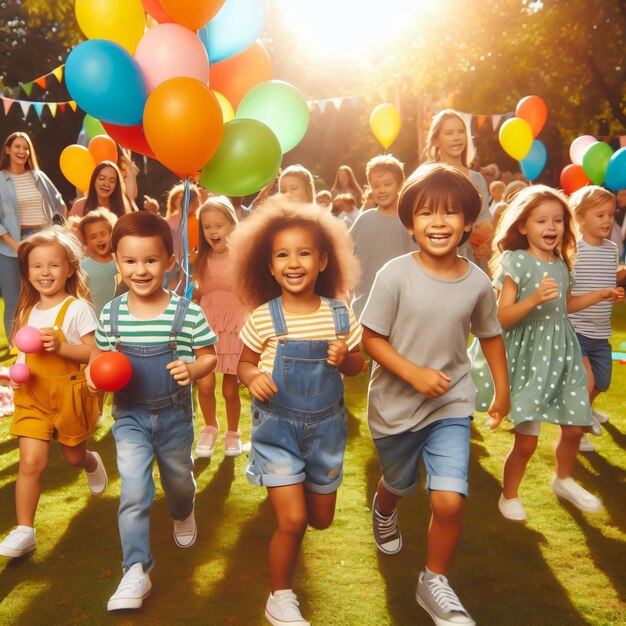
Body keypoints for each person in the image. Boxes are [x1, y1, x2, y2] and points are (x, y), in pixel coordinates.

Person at [361, 163, 509, 626]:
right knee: (400, 484)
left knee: (448, 500)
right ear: (410, 223)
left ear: (468, 222)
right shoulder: (394, 275)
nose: (439, 222)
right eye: (426, 213)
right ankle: (384, 508)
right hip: (395, 408)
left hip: (451, 404)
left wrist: (501, 390)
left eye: (450, 213)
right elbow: (371, 338)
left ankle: (434, 580)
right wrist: (413, 373)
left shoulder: (477, 282)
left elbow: (489, 334)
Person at [231, 197, 364, 626]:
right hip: (278, 429)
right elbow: (243, 364)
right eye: (282, 254)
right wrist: (252, 378)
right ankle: (280, 597)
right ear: (268, 266)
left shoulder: (341, 315)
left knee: (319, 520)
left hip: (326, 430)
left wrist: (346, 358)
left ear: (324, 260)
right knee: (292, 519)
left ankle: (302, 494)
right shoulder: (263, 318)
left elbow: (358, 366)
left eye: (304, 252)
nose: (294, 262)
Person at [87, 211, 217, 611]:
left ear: (169, 262)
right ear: (118, 263)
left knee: (178, 482)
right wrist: (95, 377)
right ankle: (135, 570)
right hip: (130, 418)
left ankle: (183, 511)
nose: (140, 270)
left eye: (150, 260)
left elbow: (209, 357)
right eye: (130, 261)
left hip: (176, 417)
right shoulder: (111, 314)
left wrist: (192, 368)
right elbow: (99, 358)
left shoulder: (187, 312)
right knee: (135, 490)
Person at [489, 185, 622, 523]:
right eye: (541, 221)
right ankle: (509, 496)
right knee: (527, 442)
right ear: (522, 226)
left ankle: (563, 479)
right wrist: (533, 299)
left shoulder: (562, 264)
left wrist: (600, 295)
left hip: (563, 353)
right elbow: (501, 317)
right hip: (531, 359)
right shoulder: (516, 261)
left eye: (558, 221)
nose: (551, 227)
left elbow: (564, 306)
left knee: (577, 422)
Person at [0, 226, 107, 559]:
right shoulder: (26, 311)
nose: (45, 273)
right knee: (31, 463)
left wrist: (62, 347)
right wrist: (16, 376)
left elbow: (94, 353)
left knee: (73, 456)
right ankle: (25, 531)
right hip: (33, 396)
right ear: (27, 272)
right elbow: (24, 354)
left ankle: (91, 462)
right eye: (36, 266)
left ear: (70, 268)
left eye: (53, 265)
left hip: (69, 395)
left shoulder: (78, 309)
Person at [569, 186, 625, 451]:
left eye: (610, 214)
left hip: (601, 332)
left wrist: (614, 293)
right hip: (576, 329)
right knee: (587, 380)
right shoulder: (572, 250)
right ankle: (577, 432)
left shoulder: (612, 249)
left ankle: (585, 410)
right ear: (580, 218)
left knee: (602, 382)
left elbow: (607, 278)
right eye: (599, 215)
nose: (607, 220)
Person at [193, 196, 247, 459]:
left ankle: (233, 433)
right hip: (206, 325)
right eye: (207, 227)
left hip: (234, 325)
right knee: (204, 385)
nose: (213, 231)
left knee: (229, 388)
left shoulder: (242, 257)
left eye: (219, 225)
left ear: (232, 225)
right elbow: (195, 291)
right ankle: (210, 426)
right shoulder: (201, 258)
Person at [0, 132, 66, 338]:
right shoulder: (1, 180)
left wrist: (55, 232)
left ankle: (44, 336)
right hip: (10, 244)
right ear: (8, 150)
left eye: (26, 147)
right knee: (13, 297)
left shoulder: (39, 177)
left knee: (43, 292)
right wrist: (14, 244)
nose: (22, 151)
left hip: (42, 238)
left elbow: (59, 204)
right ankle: (15, 344)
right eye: (17, 146)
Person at [349, 154, 416, 318]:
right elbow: (344, 252)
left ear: (400, 185)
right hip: (364, 308)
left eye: (387, 184)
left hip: (401, 308)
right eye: (376, 185)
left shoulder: (409, 221)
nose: (381, 190)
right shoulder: (364, 219)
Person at [422, 109, 492, 265]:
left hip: (472, 260)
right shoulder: (427, 177)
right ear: (436, 140)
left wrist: (483, 245)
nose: (456, 137)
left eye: (461, 132)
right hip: (437, 259)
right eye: (449, 133)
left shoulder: (477, 179)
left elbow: (484, 220)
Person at [78, 208, 118, 317]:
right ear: (87, 241)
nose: (99, 239)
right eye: (93, 237)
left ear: (111, 234)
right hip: (95, 321)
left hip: (120, 319)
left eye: (103, 234)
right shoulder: (83, 266)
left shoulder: (120, 262)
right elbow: (79, 297)